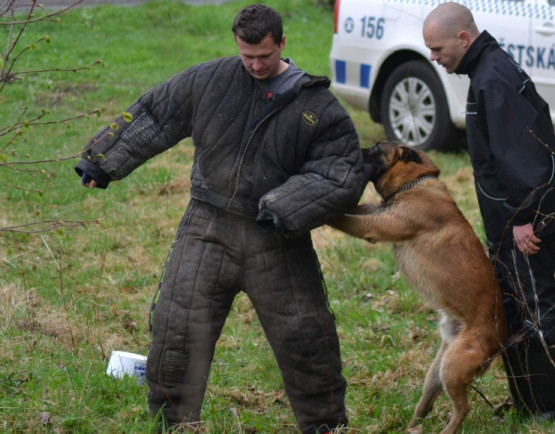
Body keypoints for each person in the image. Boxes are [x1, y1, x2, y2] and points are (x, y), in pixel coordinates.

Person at [75, 4, 365, 433]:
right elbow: (157, 113)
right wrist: (102, 160)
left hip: (276, 236)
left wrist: (284, 206)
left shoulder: (317, 107)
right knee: (177, 334)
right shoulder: (211, 79)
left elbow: (341, 171)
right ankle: (173, 425)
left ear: (282, 43)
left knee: (307, 341)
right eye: (246, 56)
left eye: (264, 56)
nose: (255, 65)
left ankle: (326, 427)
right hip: (207, 226)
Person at [422, 2, 555, 424]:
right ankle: (527, 405)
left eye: (438, 48)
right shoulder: (486, 71)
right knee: (513, 309)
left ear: (463, 38)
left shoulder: (493, 78)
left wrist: (523, 219)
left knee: (535, 311)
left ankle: (547, 415)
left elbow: (521, 155)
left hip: (522, 223)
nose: (433, 58)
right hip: (509, 222)